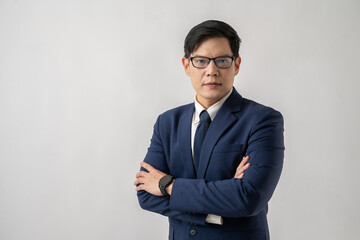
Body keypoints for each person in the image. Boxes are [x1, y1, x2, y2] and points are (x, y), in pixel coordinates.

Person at [134, 20, 284, 240]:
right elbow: (145, 194)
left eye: (222, 61)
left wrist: (168, 185)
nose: (211, 71)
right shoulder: (167, 122)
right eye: (201, 61)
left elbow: (248, 197)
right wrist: (216, 207)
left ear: (237, 65)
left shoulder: (263, 120)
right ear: (187, 65)